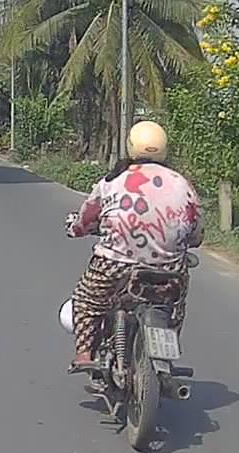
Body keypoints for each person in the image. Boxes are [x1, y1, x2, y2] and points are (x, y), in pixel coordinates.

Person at [65, 120, 202, 374]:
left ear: (130, 146)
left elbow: (86, 219)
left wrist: (76, 228)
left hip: (114, 265)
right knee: (173, 310)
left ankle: (84, 354)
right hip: (169, 270)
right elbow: (196, 233)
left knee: (85, 301)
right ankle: (167, 349)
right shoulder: (183, 184)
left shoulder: (113, 181)